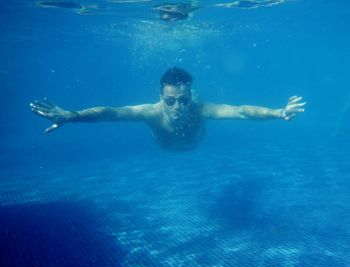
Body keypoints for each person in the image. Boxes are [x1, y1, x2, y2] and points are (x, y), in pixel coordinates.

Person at [30, 67, 305, 151]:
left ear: (190, 96)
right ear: (161, 97)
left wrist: (278, 113)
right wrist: (73, 116)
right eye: (170, 100)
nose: (177, 106)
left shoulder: (201, 109)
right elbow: (111, 113)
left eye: (183, 100)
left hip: (196, 142)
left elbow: (242, 111)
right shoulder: (151, 112)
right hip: (165, 146)